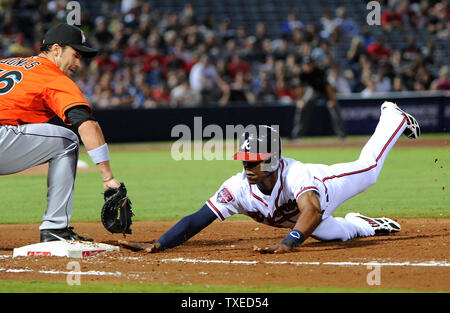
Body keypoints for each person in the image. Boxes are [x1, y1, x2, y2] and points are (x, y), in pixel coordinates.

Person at [119, 101, 420, 254]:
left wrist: (287, 244)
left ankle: (392, 115)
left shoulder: (296, 173)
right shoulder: (237, 188)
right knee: (337, 235)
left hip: (325, 187)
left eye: (253, 161)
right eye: (244, 161)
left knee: (368, 171)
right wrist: (159, 244)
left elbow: (312, 210)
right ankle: (364, 224)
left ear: (272, 160)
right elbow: (198, 218)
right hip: (304, 214)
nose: (246, 167)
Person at [0, 23, 122, 242]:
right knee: (67, 140)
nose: (78, 63)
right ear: (56, 49)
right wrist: (108, 177)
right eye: (75, 55)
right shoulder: (52, 76)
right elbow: (86, 124)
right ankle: (56, 227)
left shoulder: (5, 63)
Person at [291, 56, 346, 139]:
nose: (308, 66)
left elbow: (328, 87)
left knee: (334, 109)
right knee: (301, 108)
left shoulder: (319, 71)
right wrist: (301, 100)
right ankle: (296, 136)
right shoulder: (302, 73)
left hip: (324, 91)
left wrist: (332, 100)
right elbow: (299, 88)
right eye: (306, 65)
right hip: (312, 90)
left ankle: (342, 135)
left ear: (313, 65)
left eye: (309, 64)